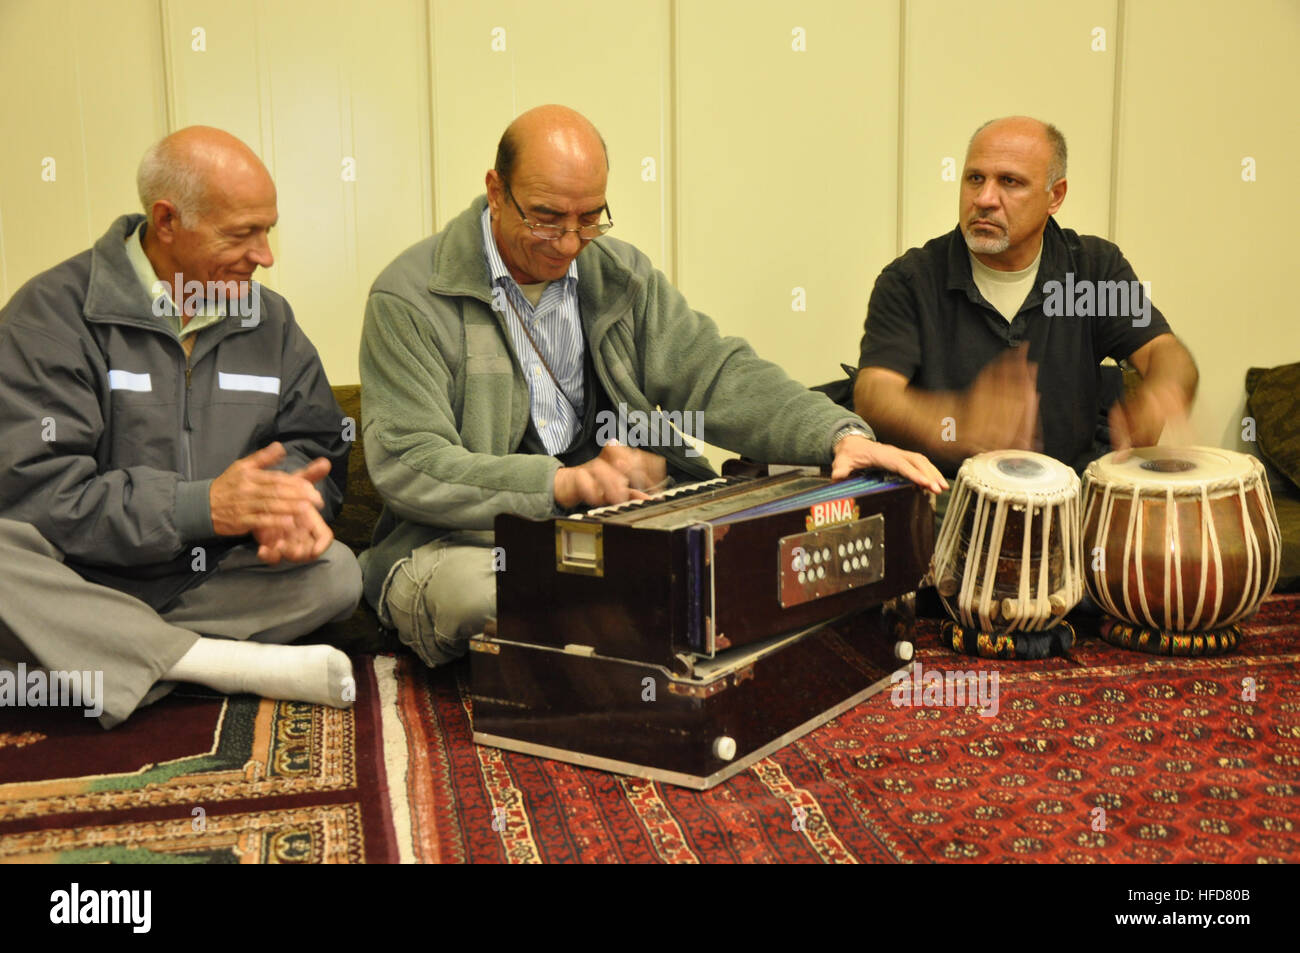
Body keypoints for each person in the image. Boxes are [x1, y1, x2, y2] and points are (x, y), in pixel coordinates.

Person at [359, 104, 947, 669]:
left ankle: (615, 616)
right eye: (545, 217)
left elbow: (714, 372)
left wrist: (835, 434)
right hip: (465, 541)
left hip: (617, 527)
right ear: (495, 189)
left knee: (772, 537)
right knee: (478, 594)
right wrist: (563, 483)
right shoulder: (410, 297)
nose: (569, 243)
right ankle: (634, 614)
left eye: (589, 218)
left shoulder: (618, 273)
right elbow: (411, 462)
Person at [0, 127, 361, 728]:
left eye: (268, 229)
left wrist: (293, 504)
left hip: (209, 583)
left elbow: (317, 444)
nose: (265, 255)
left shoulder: (268, 320)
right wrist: (200, 507)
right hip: (76, 576)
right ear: (166, 220)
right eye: (243, 233)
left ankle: (102, 659)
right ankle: (214, 664)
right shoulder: (50, 315)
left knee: (338, 574)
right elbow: (37, 495)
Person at [855, 116, 1197, 478]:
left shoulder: (1092, 270)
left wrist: (1163, 393)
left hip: (1070, 500)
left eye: (1010, 182)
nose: (985, 199)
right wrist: (958, 421)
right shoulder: (911, 279)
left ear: (1056, 195)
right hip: (947, 498)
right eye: (975, 179)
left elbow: (1165, 352)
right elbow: (875, 394)